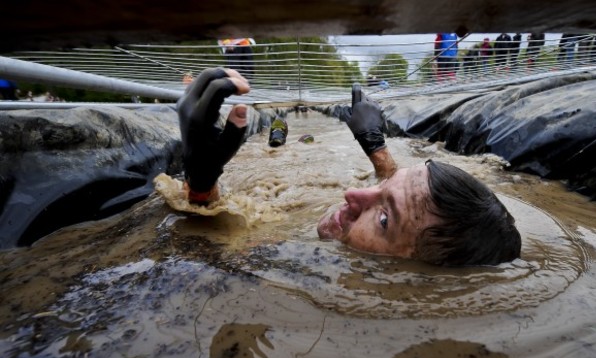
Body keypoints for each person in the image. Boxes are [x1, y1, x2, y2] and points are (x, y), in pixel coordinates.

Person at [177, 68, 522, 266]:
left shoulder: (301, 263)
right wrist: (376, 147)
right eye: (382, 189)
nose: (351, 194)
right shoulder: (399, 224)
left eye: (385, 219)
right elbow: (405, 202)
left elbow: (205, 252)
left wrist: (200, 190)